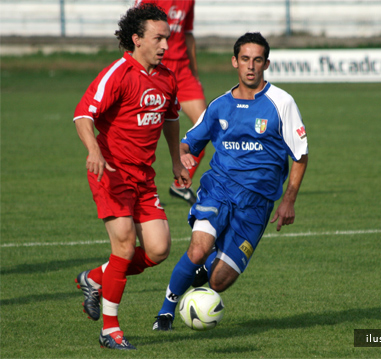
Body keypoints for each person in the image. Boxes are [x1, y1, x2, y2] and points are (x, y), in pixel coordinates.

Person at [152, 32, 309, 331]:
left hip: (257, 203)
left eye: (258, 60)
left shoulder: (281, 102)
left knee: (219, 280)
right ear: (234, 62)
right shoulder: (220, 105)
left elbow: (300, 155)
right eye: (245, 59)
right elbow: (188, 142)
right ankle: (166, 313)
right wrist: (182, 156)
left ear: (266, 63)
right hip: (218, 190)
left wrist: (288, 200)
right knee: (197, 249)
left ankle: (199, 275)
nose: (251, 66)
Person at [73, 3, 191, 349]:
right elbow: (83, 115)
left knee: (158, 250)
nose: (166, 46)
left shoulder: (167, 78)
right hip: (110, 173)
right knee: (124, 244)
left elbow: (171, 120)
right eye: (158, 39)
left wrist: (176, 160)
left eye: (167, 39)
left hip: (143, 178)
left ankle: (95, 278)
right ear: (137, 39)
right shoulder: (118, 74)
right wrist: (94, 150)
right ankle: (110, 329)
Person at [135, 0, 207, 205]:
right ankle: (139, 189)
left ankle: (181, 182)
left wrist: (195, 74)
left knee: (206, 126)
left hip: (183, 72)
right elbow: (135, 30)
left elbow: (188, 35)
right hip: (157, 68)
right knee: (143, 129)